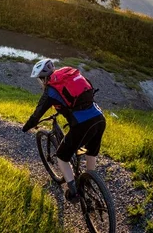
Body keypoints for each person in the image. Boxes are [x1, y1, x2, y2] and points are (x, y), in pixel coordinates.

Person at [21, 59, 106, 203]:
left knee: (61, 156)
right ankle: (90, 181)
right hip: (99, 118)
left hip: (83, 124)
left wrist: (26, 127)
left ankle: (74, 193)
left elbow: (37, 114)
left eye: (39, 80)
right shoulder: (68, 74)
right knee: (90, 151)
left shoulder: (51, 89)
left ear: (43, 78)